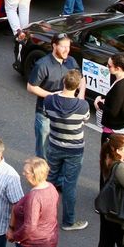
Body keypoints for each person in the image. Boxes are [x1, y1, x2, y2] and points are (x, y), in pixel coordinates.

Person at [43, 69, 90, 232]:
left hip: (54, 146)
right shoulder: (82, 106)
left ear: (64, 82)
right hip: (74, 150)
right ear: (77, 86)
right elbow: (84, 118)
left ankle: (44, 215)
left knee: (49, 180)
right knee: (70, 185)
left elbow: (46, 113)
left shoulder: (49, 100)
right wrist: (82, 90)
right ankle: (68, 222)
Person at [27, 33, 80, 160]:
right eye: (63, 47)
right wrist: (51, 96)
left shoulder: (71, 61)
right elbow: (31, 87)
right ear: (54, 46)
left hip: (64, 115)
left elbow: (80, 78)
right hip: (45, 115)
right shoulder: (43, 64)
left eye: (68, 46)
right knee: (43, 150)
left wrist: (81, 94)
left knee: (61, 149)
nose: (67, 50)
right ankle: (41, 177)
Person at [7, 157, 59, 247]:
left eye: (26, 172)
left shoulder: (34, 197)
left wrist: (15, 236)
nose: (23, 174)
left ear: (35, 175)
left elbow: (30, 226)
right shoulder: (51, 187)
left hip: (32, 246)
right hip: (49, 240)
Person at [95, 54, 124, 175]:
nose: (107, 67)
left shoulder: (120, 86)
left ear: (118, 68)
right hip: (123, 125)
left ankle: (105, 191)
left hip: (113, 130)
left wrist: (99, 104)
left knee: (107, 163)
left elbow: (113, 111)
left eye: (109, 65)